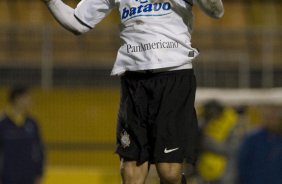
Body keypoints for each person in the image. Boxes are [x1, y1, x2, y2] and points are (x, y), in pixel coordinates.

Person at [42, 0, 224, 183]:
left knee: (169, 172)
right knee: (131, 172)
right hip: (134, 82)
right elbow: (77, 22)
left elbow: (217, 11)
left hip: (174, 77)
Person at [0, 86, 45, 184]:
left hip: (28, 177)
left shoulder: (32, 123)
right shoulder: (3, 124)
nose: (30, 101)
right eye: (27, 98)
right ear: (17, 98)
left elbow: (39, 149)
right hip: (7, 177)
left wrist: (39, 172)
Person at [237, 105, 282, 184]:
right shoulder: (252, 139)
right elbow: (243, 165)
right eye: (270, 116)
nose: (273, 119)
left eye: (276, 116)